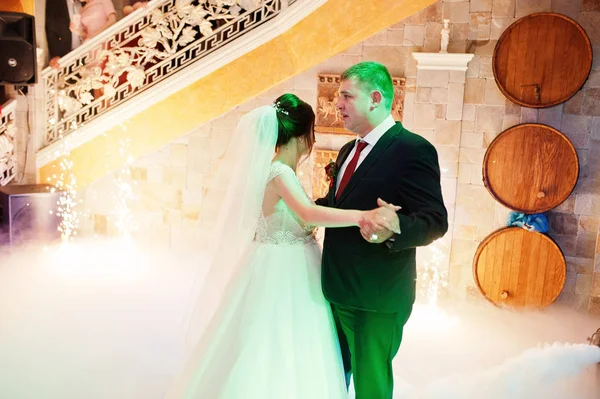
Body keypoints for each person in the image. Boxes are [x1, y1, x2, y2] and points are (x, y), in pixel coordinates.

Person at [164, 93, 400, 399]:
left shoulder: (276, 170)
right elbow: (307, 213)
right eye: (312, 134)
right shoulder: (279, 173)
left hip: (279, 262)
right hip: (285, 271)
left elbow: (298, 217)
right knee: (279, 343)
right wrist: (362, 217)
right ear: (304, 137)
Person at [316, 61, 449, 399]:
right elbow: (339, 204)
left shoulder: (412, 149)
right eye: (338, 96)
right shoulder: (349, 149)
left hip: (375, 299)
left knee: (370, 391)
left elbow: (435, 220)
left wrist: (395, 227)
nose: (338, 104)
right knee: (330, 380)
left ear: (375, 98)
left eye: (347, 96)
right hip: (334, 289)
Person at [45, 0, 83, 69]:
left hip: (86, 49)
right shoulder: (54, 2)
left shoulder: (84, 2)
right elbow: (50, 31)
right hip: (65, 54)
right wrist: (55, 55)